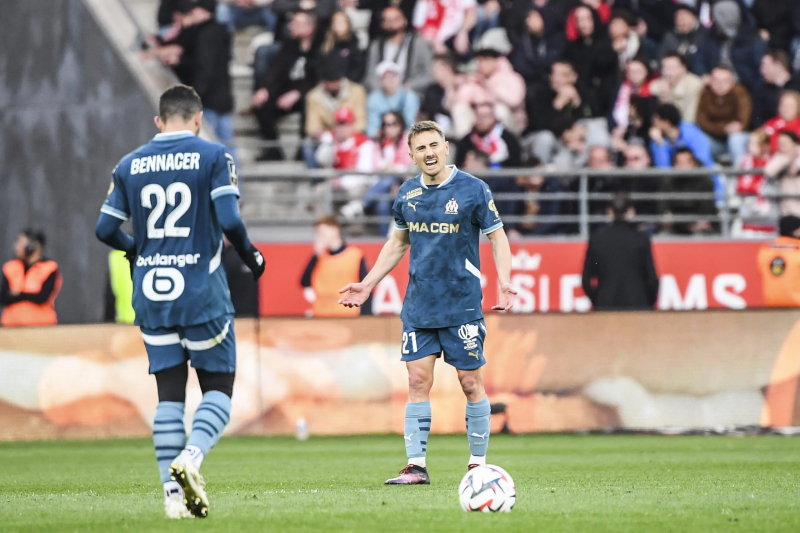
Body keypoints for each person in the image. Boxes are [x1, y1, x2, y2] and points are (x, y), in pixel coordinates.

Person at [94, 86, 266, 520]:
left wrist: (136, 250)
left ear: (159, 121)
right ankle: (191, 457)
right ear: (198, 118)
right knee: (218, 388)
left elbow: (105, 229)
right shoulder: (214, 156)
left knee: (169, 396)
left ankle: (173, 500)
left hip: (152, 293)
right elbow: (230, 219)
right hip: (200, 290)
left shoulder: (129, 164)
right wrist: (251, 255)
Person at [338, 120, 515, 484]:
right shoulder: (407, 193)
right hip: (419, 305)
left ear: (446, 147)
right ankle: (416, 466)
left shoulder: (473, 189)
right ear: (411, 155)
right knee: (417, 380)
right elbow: (398, 243)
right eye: (421, 148)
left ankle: (478, 465)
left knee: (470, 382)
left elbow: (497, 237)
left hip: (462, 303)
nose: (429, 153)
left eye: (434, 145)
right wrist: (368, 284)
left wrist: (506, 282)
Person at [252, 10, 319, 160]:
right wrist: (265, 89)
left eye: (296, 23)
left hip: (306, 92)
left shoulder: (318, 48)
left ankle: (302, 150)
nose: (291, 26)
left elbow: (317, 78)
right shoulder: (289, 45)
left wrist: (298, 92)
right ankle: (274, 149)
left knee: (309, 101)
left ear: (310, 28)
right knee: (262, 105)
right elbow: (276, 69)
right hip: (285, 91)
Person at [172, 0, 236, 152]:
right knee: (227, 146)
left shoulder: (204, 34)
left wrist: (197, 94)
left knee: (205, 146)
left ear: (203, 11)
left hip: (207, 99)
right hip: (223, 97)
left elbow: (204, 67)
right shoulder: (222, 31)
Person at [581, 193, 659, 310]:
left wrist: (598, 300)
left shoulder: (597, 240)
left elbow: (586, 280)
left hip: (606, 306)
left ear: (609, 212)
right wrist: (647, 302)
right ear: (631, 212)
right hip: (638, 306)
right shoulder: (641, 239)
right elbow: (652, 280)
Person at [450, 29, 527, 137]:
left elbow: (514, 101)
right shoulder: (476, 79)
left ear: (497, 60)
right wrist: (459, 86)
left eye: (486, 59)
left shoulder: (512, 78)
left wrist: (488, 86)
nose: (481, 64)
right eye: (479, 60)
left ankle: (502, 144)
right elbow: (458, 101)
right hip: (481, 127)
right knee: (460, 109)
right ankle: (468, 143)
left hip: (512, 129)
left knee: (500, 110)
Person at [301, 217, 369, 316]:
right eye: (318, 234)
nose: (320, 237)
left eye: (323, 233)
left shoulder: (355, 255)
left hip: (347, 314)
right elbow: (305, 282)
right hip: (321, 314)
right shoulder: (319, 257)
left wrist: (366, 315)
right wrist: (315, 256)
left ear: (335, 230)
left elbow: (365, 286)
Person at [364, 6, 434, 98]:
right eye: (387, 20)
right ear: (382, 24)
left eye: (395, 19)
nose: (391, 23)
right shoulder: (376, 45)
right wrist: (382, 89)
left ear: (405, 21)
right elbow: (370, 75)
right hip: (382, 95)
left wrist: (409, 86)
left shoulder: (418, 43)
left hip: (411, 93)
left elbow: (429, 74)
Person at [0, 230, 62, 327]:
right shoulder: (10, 267)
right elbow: (4, 297)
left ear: (33, 246)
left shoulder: (49, 268)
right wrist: (29, 294)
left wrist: (19, 294)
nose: (16, 247)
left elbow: (42, 297)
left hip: (41, 326)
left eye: (21, 243)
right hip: (10, 326)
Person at [695, 65, 752, 166]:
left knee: (736, 139)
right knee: (699, 140)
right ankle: (709, 173)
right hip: (714, 139)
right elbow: (701, 121)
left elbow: (743, 120)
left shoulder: (740, 93)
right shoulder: (705, 93)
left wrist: (734, 128)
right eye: (716, 81)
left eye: (725, 81)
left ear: (732, 82)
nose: (720, 85)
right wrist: (724, 128)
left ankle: (739, 173)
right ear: (710, 81)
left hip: (735, 137)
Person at [304, 55, 367, 142]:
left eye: (336, 81)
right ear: (324, 82)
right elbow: (311, 125)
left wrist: (344, 133)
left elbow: (361, 122)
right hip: (325, 138)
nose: (333, 84)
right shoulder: (313, 96)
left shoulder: (357, 92)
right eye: (330, 82)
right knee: (308, 144)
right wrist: (319, 133)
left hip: (351, 135)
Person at [658, 147, 718, 235]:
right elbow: (662, 207)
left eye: (687, 162)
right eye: (679, 163)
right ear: (674, 165)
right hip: (675, 226)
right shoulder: (667, 182)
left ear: (694, 163)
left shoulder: (705, 181)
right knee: (662, 236)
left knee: (701, 236)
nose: (683, 167)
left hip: (699, 226)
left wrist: (701, 221)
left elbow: (708, 208)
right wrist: (666, 216)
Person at [454, 101, 522, 169]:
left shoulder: (509, 140)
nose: (482, 120)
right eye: (479, 116)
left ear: (494, 118)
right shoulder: (467, 141)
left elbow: (516, 166)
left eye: (485, 116)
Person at [509, 5, 565, 86]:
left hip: (553, 81)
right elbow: (520, 64)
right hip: (530, 81)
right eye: (528, 18)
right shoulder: (525, 40)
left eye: (535, 18)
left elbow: (554, 60)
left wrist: (534, 62)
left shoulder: (557, 39)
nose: (529, 21)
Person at [366, 61, 420, 138]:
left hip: (405, 137)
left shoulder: (409, 97)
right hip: (382, 137)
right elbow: (373, 126)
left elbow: (411, 123)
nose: (390, 80)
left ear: (399, 78)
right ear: (380, 81)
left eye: (393, 76)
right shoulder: (374, 99)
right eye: (386, 77)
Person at [758, 215, 800, 307]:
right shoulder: (798, 252)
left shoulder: (765, 251)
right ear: (795, 231)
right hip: (797, 305)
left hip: (772, 306)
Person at [650, 53, 704, 124]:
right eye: (665, 68)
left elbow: (690, 118)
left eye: (672, 68)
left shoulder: (694, 85)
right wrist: (662, 101)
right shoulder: (656, 86)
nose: (668, 73)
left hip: (687, 125)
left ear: (683, 69)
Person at [752, 50, 800, 128]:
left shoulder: (797, 84)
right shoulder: (761, 90)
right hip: (770, 130)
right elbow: (757, 117)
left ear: (778, 66)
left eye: (765, 66)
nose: (762, 71)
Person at [318, 10, 365, 83]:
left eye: (341, 22)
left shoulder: (354, 45)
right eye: (335, 22)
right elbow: (318, 66)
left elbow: (358, 68)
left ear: (348, 24)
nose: (338, 25)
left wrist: (344, 82)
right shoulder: (326, 46)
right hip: (326, 84)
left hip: (349, 84)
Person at [764, 130, 800, 218]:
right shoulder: (780, 157)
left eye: (785, 143)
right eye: (780, 143)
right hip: (788, 208)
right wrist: (788, 158)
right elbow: (769, 170)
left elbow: (795, 168)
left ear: (794, 143)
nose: (781, 145)